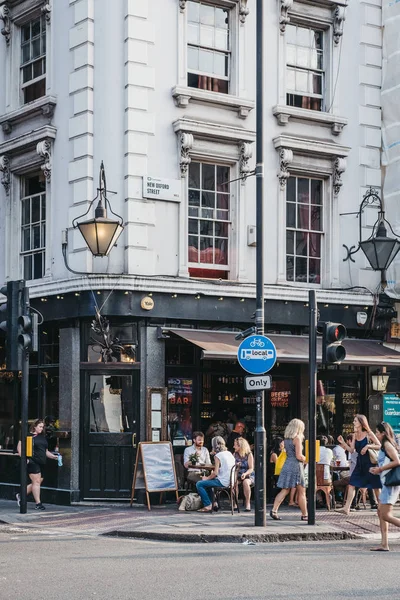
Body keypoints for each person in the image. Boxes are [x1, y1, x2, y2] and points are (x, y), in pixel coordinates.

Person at [336, 414, 381, 515]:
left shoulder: (369, 433)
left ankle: (382, 508)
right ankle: (346, 508)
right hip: (360, 463)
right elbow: (352, 451)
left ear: (361, 423)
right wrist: (343, 443)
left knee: (376, 487)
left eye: (355, 421)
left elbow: (379, 445)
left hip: (370, 464)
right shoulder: (354, 435)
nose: (353, 422)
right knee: (352, 484)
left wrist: (368, 446)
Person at [369, 422, 400, 552]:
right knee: (380, 513)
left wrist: (380, 469)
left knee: (386, 515)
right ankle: (384, 544)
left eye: (377, 432)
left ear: (383, 433)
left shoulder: (387, 445)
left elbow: (397, 461)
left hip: (390, 484)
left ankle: (384, 544)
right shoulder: (384, 445)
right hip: (385, 482)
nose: (376, 434)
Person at [16, 419, 58, 510]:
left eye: (42, 427)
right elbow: (19, 447)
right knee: (36, 482)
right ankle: (38, 504)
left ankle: (20, 495)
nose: (41, 429)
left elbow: (46, 452)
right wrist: (24, 458)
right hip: (32, 461)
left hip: (42, 462)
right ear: (34, 426)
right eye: (40, 427)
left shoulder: (42, 437)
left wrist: (54, 457)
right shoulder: (27, 435)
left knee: (37, 482)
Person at [270, 418, 308, 521]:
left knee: (285, 489)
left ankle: (274, 510)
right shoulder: (297, 439)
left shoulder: (286, 439)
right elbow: (299, 456)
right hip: (296, 465)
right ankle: (305, 515)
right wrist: (306, 458)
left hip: (287, 464)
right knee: (301, 491)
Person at [196, 436, 235, 512]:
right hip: (231, 481)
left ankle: (208, 505)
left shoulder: (218, 456)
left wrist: (206, 478)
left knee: (199, 484)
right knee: (208, 484)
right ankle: (214, 504)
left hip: (223, 482)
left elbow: (215, 472)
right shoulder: (229, 453)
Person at [233, 437, 254, 511]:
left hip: (248, 474)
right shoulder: (235, 454)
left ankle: (248, 503)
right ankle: (235, 503)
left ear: (240, 446)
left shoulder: (249, 454)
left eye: (235, 445)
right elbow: (232, 467)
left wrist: (245, 474)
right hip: (237, 474)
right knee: (234, 483)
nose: (233, 446)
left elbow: (251, 468)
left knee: (245, 482)